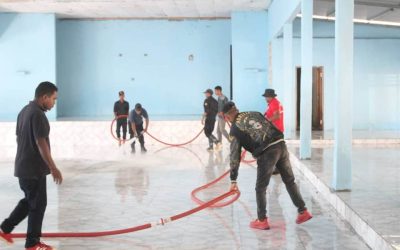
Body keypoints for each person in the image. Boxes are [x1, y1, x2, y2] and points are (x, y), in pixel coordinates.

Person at [223, 101, 312, 230]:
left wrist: (233, 179)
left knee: (260, 187)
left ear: (226, 117)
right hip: (281, 144)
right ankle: (303, 211)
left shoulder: (235, 129)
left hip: (267, 152)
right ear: (237, 109)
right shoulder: (254, 112)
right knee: (289, 180)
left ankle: (262, 220)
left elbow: (234, 156)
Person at [0, 82, 63, 250]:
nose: (54, 103)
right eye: (53, 99)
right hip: (33, 170)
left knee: (30, 201)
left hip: (23, 167)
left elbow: (19, 138)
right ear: (44, 97)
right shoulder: (37, 115)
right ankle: (33, 243)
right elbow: (40, 142)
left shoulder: (24, 111)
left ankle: (5, 229)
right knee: (38, 204)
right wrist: (53, 167)